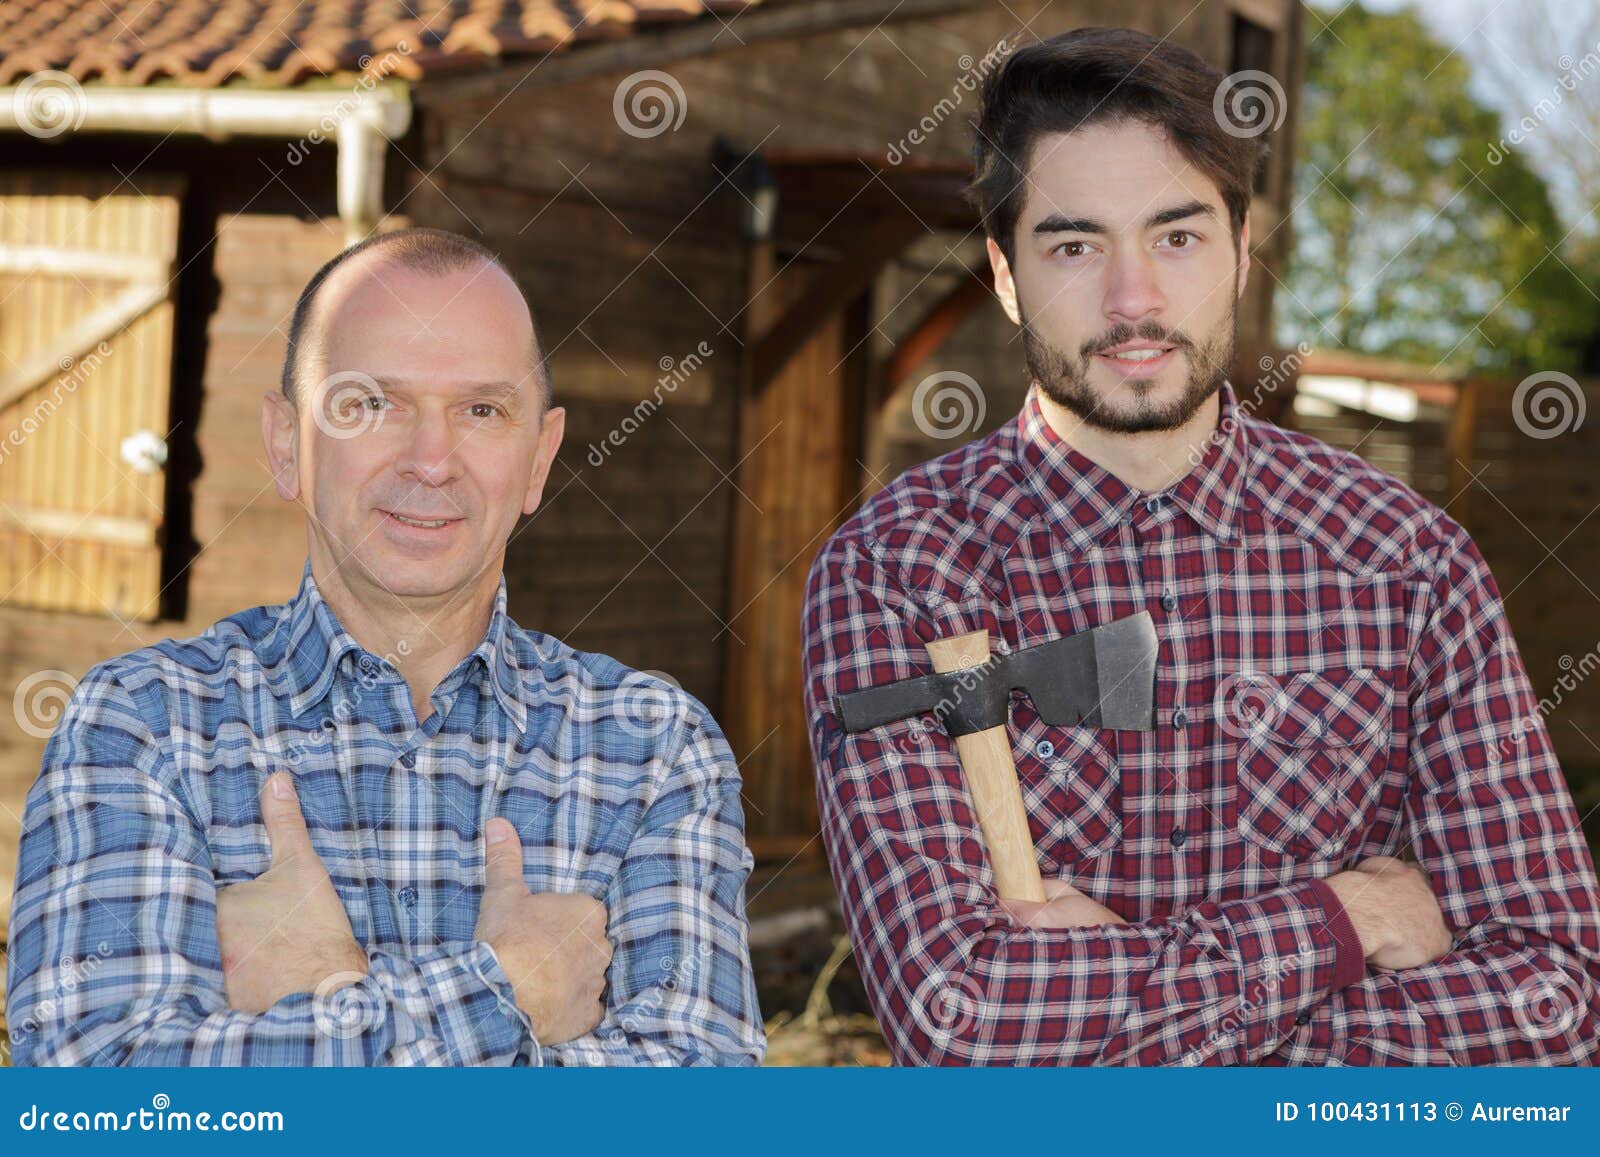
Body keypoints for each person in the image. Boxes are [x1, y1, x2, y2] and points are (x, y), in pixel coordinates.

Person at [801, 27, 1600, 1065]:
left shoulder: (1405, 562)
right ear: (1003, 273)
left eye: (1175, 237)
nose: (1132, 300)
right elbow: (967, 1025)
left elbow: (1552, 995)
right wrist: (1344, 919)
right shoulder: (897, 570)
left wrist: (1129, 1028)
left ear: (1242, 244)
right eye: (1074, 245)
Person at [7, 227, 765, 1066]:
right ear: (287, 443)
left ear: (539, 458)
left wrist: (329, 1002)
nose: (431, 460)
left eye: (482, 409)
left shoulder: (655, 746)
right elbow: (98, 1104)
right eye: (371, 403)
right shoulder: (142, 726)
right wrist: (505, 994)